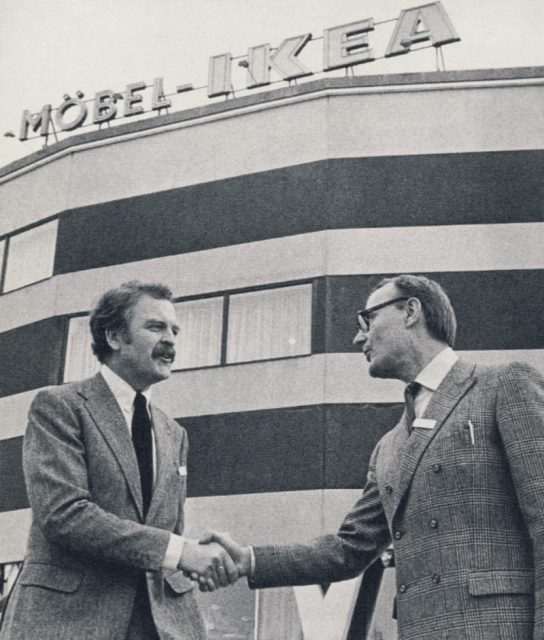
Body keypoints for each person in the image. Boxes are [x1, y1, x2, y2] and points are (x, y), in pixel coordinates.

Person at [200, 274, 544, 640]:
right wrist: (248, 560)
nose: (358, 337)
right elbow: (348, 550)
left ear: (411, 310)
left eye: (368, 319)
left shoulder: (503, 384)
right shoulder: (389, 446)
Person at [0, 281, 237, 640]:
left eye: (175, 330)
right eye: (155, 327)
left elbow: (168, 534)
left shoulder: (175, 434)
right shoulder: (60, 406)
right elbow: (65, 515)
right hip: (70, 623)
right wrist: (181, 552)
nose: (171, 340)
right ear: (113, 336)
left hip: (160, 626)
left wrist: (204, 562)